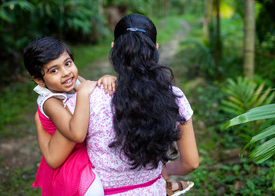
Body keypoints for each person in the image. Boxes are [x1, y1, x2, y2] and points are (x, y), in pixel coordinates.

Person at [35, 14, 199, 195]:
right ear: (155, 49)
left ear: (114, 49)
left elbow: (55, 157)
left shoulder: (87, 101)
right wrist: (166, 171)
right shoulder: (174, 97)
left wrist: (40, 122)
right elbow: (191, 162)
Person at [23, 36, 116, 196]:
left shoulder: (75, 82)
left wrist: (107, 79)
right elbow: (77, 134)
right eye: (54, 70)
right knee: (95, 192)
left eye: (67, 63)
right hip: (70, 161)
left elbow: (91, 89)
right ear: (39, 80)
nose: (66, 73)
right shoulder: (50, 101)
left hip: (84, 150)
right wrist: (83, 94)